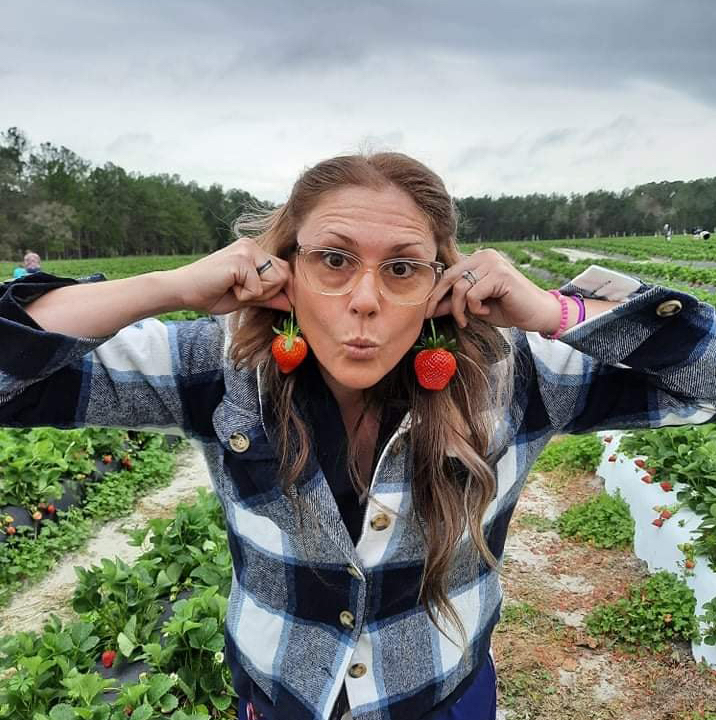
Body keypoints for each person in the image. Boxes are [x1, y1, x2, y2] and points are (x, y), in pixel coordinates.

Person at [1, 152, 715, 720]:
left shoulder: (515, 376)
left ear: (443, 284)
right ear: (285, 269)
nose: (365, 300)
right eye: (334, 260)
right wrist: (169, 286)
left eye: (402, 268)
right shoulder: (222, 368)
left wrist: (555, 310)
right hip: (281, 693)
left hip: (438, 694)